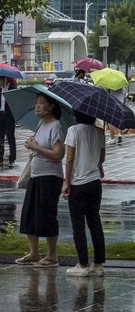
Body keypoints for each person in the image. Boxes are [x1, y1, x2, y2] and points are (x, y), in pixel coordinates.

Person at [15, 94, 65, 267]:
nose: (37, 106)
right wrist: (33, 146)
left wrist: (36, 147)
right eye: (35, 103)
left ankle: (51, 256)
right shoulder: (40, 124)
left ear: (51, 106)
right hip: (36, 175)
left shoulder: (55, 126)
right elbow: (41, 148)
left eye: (41, 103)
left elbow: (58, 154)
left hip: (50, 176)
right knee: (29, 214)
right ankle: (34, 253)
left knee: (47, 215)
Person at [62, 111, 106, 277]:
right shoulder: (99, 131)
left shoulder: (73, 130)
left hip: (78, 183)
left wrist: (66, 181)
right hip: (95, 182)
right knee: (95, 221)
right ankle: (98, 264)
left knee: (78, 223)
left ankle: (83, 264)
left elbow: (70, 159)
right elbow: (101, 158)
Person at [0, 76, 17, 167]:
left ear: (5, 80)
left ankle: (12, 158)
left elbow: (14, 104)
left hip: (9, 117)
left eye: (0, 80)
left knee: (10, 138)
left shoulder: (12, 90)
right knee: (0, 138)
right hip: (0, 116)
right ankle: (0, 158)